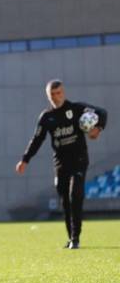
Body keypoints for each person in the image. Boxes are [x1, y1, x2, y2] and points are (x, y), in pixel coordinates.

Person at [16, 79, 107, 249]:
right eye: (52, 94)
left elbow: (102, 113)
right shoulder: (46, 117)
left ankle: (75, 238)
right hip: (61, 163)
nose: (56, 97)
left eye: (58, 93)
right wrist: (25, 159)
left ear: (63, 93)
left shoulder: (77, 109)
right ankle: (70, 237)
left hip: (79, 159)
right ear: (48, 96)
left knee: (75, 195)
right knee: (65, 201)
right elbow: (37, 140)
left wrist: (98, 128)